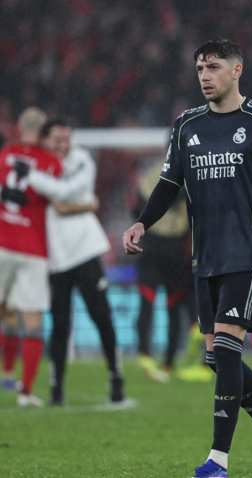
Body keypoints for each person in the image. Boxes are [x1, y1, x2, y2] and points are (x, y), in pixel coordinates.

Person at [122, 39, 252, 478]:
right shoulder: (187, 125)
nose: (204, 75)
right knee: (216, 358)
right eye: (199, 69)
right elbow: (169, 184)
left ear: (237, 70)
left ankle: (217, 462)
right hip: (204, 256)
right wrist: (141, 223)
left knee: (227, 351)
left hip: (248, 253)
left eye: (212, 67)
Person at [19, 118, 125, 406]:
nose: (63, 145)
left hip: (86, 250)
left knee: (101, 317)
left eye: (67, 138)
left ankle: (116, 377)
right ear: (43, 140)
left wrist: (41, 185)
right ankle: (56, 389)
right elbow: (60, 200)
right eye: (57, 139)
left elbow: (63, 195)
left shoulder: (81, 160)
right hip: (56, 257)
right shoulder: (37, 163)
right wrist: (83, 203)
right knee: (60, 325)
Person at [0, 107, 61, 407]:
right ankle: (25, 392)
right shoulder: (50, 162)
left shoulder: (5, 154)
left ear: (19, 127)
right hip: (33, 248)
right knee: (32, 320)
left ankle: (7, 372)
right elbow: (59, 200)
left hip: (1, 241)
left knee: (6, 312)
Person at [133, 157, 193, 383]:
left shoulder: (196, 170)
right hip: (152, 243)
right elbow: (148, 196)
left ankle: (168, 362)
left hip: (177, 248)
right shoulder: (156, 170)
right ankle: (144, 355)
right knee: (147, 302)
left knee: (174, 306)